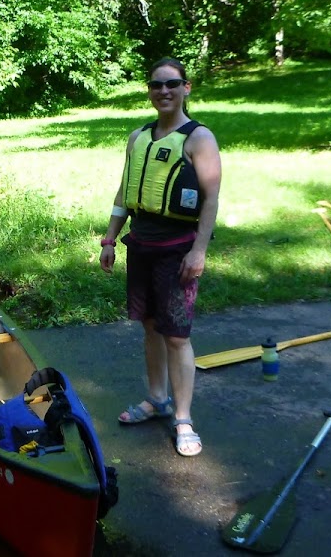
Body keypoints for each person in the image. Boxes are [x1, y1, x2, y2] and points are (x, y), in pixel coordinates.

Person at [99, 57, 221, 457]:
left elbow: (210, 199)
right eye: (156, 85)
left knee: (176, 335)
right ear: (149, 91)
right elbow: (124, 191)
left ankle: (183, 419)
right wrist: (110, 238)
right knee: (149, 327)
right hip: (142, 245)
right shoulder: (138, 137)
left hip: (177, 250)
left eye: (172, 84)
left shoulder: (199, 138)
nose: (163, 91)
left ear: (186, 87)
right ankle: (156, 399)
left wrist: (199, 250)